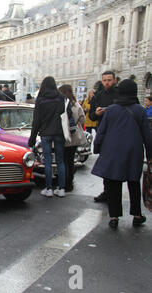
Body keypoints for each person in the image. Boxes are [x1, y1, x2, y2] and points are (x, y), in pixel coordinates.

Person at [91, 79, 152, 229]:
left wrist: (97, 149)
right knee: (133, 183)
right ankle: (137, 215)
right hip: (133, 152)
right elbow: (147, 135)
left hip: (112, 152)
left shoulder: (111, 110)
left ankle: (114, 217)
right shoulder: (140, 110)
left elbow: (101, 132)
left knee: (113, 184)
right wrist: (150, 155)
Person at [28, 76, 67, 198]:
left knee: (48, 161)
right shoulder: (61, 98)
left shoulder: (41, 99)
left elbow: (36, 121)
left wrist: (32, 137)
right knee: (60, 161)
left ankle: (49, 188)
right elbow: (65, 114)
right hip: (59, 132)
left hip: (45, 133)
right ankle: (61, 189)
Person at [89, 71, 119, 203]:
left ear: (114, 80)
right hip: (104, 133)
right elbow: (91, 116)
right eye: (105, 80)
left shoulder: (119, 95)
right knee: (106, 164)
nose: (107, 82)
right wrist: (96, 113)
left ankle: (114, 192)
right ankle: (107, 191)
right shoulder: (98, 96)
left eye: (109, 80)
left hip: (118, 133)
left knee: (118, 164)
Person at [59, 85, 86, 192]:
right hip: (75, 137)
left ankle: (65, 183)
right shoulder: (76, 105)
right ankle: (70, 182)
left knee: (64, 161)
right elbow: (83, 119)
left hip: (64, 136)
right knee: (70, 161)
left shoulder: (60, 104)